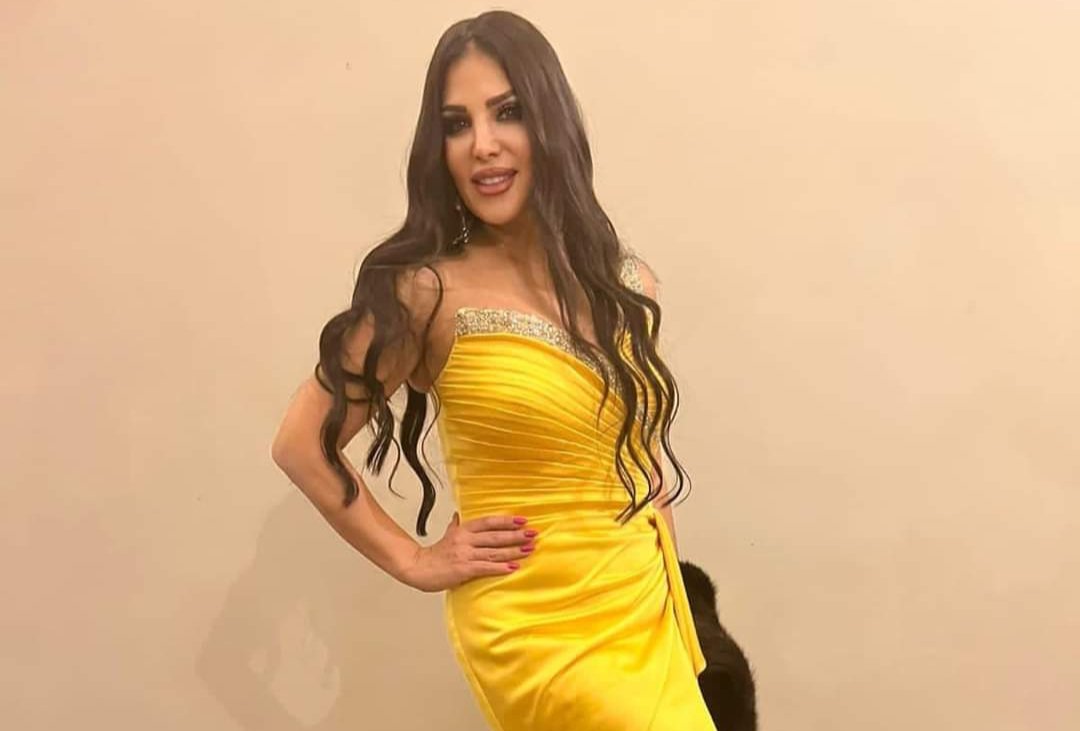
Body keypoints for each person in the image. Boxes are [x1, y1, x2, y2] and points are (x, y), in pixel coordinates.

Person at [271, 10, 715, 730]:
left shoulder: (629, 285)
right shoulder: (426, 292)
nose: (482, 144)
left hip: (641, 601)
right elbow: (300, 444)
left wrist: (668, 586)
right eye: (457, 124)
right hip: (534, 626)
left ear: (550, 123)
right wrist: (414, 560)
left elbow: (642, 460)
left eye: (506, 112)